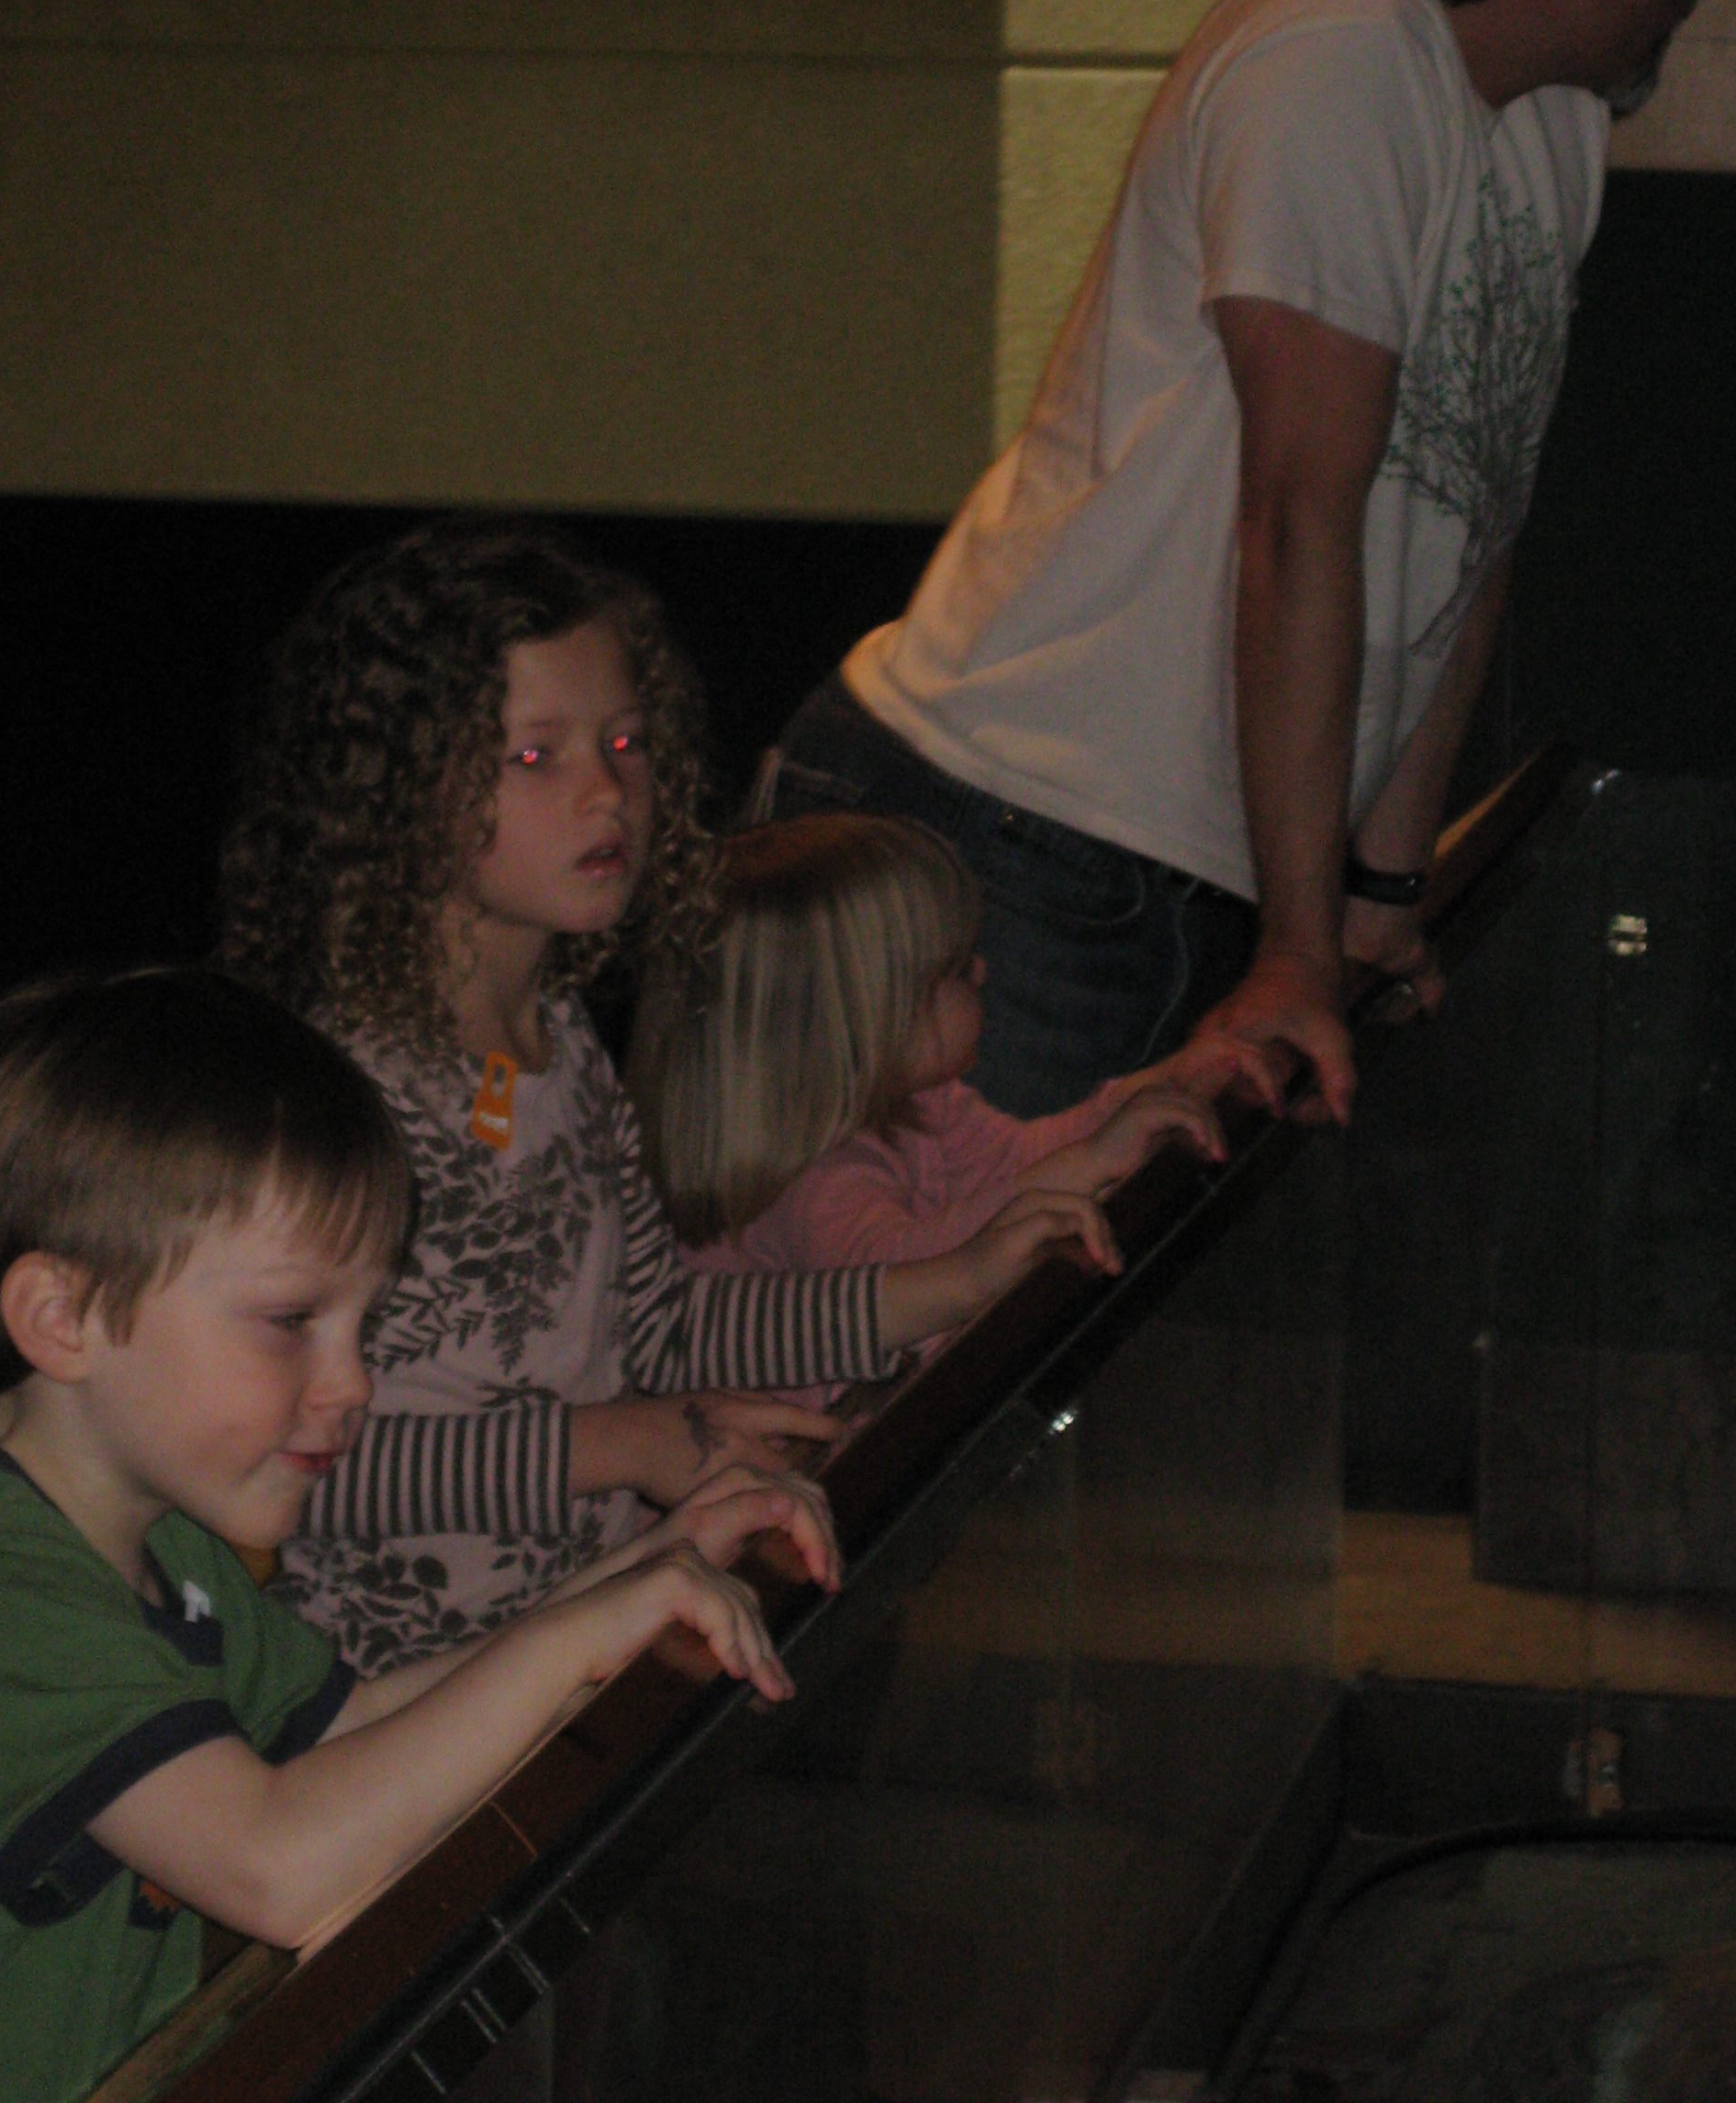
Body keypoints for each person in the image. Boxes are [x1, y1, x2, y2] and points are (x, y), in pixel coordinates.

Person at [765, 0, 1736, 1124]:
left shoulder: (1552, 125)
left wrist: (1376, 891)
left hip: (1170, 873)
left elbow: (1469, 526)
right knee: (925, 1280)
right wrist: (1294, 946)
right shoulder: (1336, 51)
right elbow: (1297, 516)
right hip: (1004, 839)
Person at [0, 968, 841, 2103]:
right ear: (62, 1319)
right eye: (292, 1319)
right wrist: (580, 1638)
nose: (354, 1383)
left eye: (365, 1322)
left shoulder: (155, 1533)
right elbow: (280, 1866)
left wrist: (640, 1572)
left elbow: (346, 1725)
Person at [215, 520, 1122, 1674]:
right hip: (394, 1698)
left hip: (572, 1654)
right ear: (394, 790)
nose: (608, 792)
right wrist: (620, 1446)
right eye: (534, 756)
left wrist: (956, 1280)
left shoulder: (561, 1049)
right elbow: (295, 1457)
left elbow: (662, 1327)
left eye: (626, 741)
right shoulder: (343, 1097)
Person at [628, 816, 1271, 1341]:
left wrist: (1158, 1089)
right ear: (864, 1021)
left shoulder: (919, 1102)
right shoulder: (808, 1183)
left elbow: (1013, 1162)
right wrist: (1096, 1160)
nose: (983, 973)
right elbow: (913, 1278)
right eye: (955, 969)